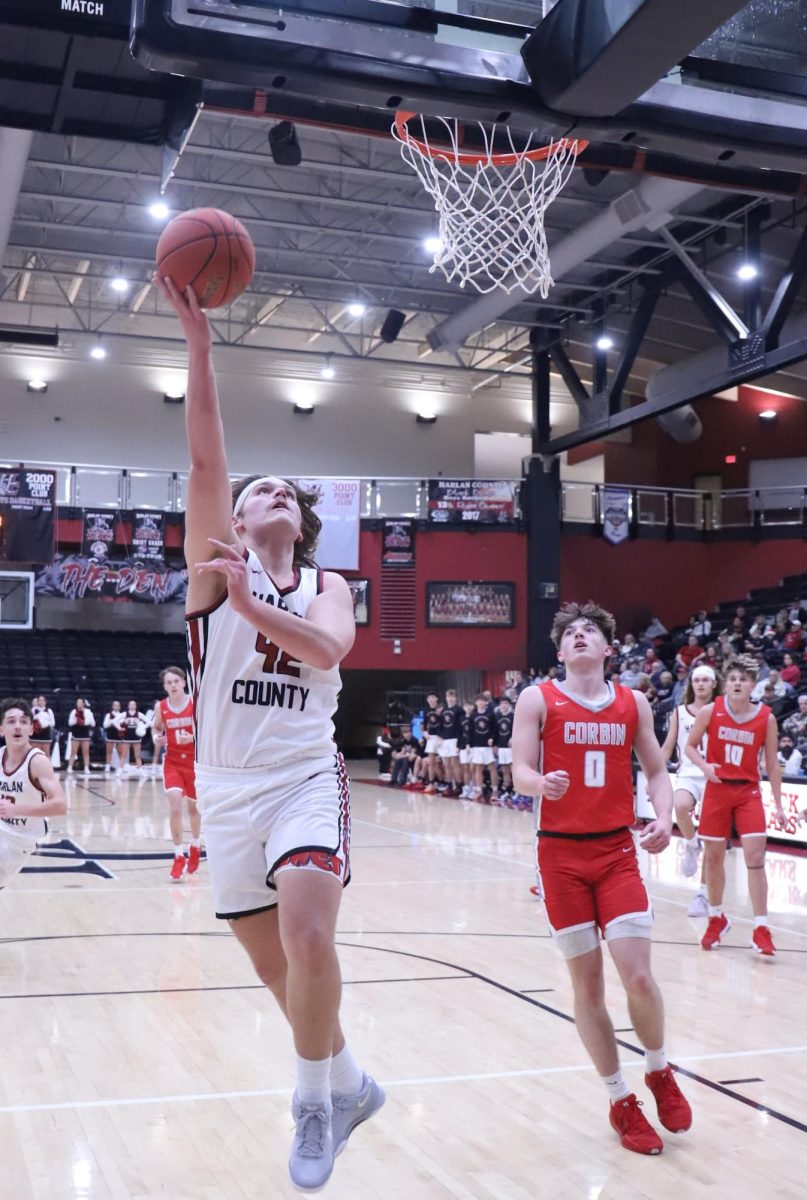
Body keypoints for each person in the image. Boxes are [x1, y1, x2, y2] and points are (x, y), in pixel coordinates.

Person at [158, 274, 382, 1193]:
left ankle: (312, 1103)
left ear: (299, 520)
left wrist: (260, 601)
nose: (272, 492)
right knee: (275, 972)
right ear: (239, 522)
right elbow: (208, 463)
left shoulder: (326, 585)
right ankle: (352, 1080)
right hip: (225, 790)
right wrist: (200, 346)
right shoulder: (214, 578)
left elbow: (328, 648)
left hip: (301, 776)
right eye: (260, 491)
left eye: (287, 489)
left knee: (308, 933)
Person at [512, 600, 691, 1157]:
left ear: (608, 649)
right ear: (561, 651)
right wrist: (541, 784)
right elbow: (519, 770)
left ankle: (659, 1071)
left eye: (591, 630)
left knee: (638, 977)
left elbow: (657, 772)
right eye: (572, 633)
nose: (581, 636)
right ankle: (619, 1098)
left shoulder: (632, 703)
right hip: (559, 857)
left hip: (616, 851)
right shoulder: (537, 699)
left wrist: (663, 818)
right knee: (587, 987)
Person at [685, 654, 787, 956]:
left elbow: (772, 764)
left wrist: (779, 805)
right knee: (713, 858)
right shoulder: (710, 711)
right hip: (717, 790)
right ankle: (716, 918)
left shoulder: (766, 718)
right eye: (733, 679)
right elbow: (690, 747)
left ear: (753, 684)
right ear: (724, 685)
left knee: (755, 857)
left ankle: (761, 928)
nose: (738, 683)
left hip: (747, 792)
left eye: (743, 679)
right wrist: (705, 767)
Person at [660, 665, 720, 916]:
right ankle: (691, 844)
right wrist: (657, 771)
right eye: (697, 680)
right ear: (692, 684)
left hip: (714, 776)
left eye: (706, 680)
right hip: (688, 774)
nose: (701, 684)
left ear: (714, 684)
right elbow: (668, 745)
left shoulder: (721, 712)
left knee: (710, 835)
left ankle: (703, 895)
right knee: (680, 806)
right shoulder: (679, 712)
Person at [0, 698, 67, 889]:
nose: (18, 726)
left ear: (31, 729)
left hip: (19, 838)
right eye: (11, 721)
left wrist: (17, 809)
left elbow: (60, 805)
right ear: (1, 729)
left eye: (23, 721)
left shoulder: (37, 761)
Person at [152, 666, 202, 881]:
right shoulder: (161, 707)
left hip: (193, 762)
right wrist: (157, 738)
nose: (172, 685)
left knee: (194, 808)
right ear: (165, 687)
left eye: (175, 681)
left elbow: (207, 730)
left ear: (183, 682)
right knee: (175, 806)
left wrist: (192, 738)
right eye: (168, 683)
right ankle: (178, 855)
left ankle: (196, 845)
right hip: (172, 763)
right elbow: (156, 728)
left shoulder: (195, 703)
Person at [469, 694, 496, 802]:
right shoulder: (473, 715)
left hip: (488, 746)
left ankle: (495, 790)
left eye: (482, 701)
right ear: (476, 703)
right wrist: (470, 745)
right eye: (478, 701)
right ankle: (478, 790)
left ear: (486, 702)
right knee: (478, 768)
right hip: (477, 745)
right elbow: (470, 731)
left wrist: (493, 740)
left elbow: (495, 729)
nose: (480, 703)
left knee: (492, 767)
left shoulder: (491, 714)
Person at [67, 697, 95, 776]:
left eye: (80, 702)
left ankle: (86, 768)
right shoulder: (73, 711)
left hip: (85, 733)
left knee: (86, 752)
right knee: (73, 752)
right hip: (76, 733)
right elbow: (70, 723)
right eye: (77, 702)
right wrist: (76, 721)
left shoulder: (88, 712)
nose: (78, 704)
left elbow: (93, 723)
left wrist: (85, 721)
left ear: (83, 703)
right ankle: (69, 767)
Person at [119, 700, 147, 776]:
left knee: (137, 755)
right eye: (131, 704)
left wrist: (142, 727)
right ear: (128, 706)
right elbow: (115, 721)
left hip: (136, 736)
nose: (132, 706)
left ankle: (140, 770)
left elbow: (149, 722)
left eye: (134, 704)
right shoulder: (125, 714)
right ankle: (120, 770)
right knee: (123, 754)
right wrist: (119, 728)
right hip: (127, 736)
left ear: (136, 706)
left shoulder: (139, 714)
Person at [422, 692, 443, 794]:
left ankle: (447, 782)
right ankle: (431, 783)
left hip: (441, 738)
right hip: (431, 738)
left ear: (436, 699)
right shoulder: (426, 710)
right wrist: (424, 732)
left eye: (433, 697)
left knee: (447, 763)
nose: (431, 699)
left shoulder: (441, 709)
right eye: (429, 697)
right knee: (431, 762)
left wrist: (441, 736)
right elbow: (424, 723)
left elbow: (445, 723)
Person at [103, 700, 125, 774]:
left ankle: (122, 767)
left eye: (118, 705)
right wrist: (111, 723)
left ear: (120, 707)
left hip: (119, 735)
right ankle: (107, 766)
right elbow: (105, 725)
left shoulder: (122, 715)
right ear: (112, 706)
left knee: (121, 752)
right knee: (109, 752)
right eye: (115, 705)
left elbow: (123, 724)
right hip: (110, 735)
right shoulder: (108, 715)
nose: (116, 707)